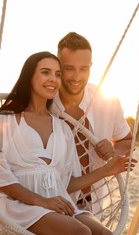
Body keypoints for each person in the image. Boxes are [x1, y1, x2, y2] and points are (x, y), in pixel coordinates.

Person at [0, 51, 135, 234]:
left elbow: (66, 184)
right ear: (29, 76)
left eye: (58, 74)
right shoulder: (6, 119)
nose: (53, 79)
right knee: (80, 232)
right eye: (46, 72)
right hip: (19, 206)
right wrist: (41, 201)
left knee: (105, 234)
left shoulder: (63, 129)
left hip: (58, 203)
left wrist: (106, 170)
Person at [51, 32, 134, 213]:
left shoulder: (107, 101)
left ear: (91, 66)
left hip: (93, 202)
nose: (77, 77)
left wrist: (114, 152)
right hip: (51, 202)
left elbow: (127, 141)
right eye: (69, 68)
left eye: (84, 69)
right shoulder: (44, 101)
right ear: (58, 66)